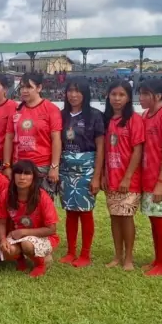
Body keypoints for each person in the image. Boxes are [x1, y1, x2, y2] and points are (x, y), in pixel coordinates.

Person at [58, 80, 105, 268]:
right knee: (70, 212)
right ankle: (71, 251)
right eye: (70, 91)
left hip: (87, 168)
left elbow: (101, 148)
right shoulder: (61, 115)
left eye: (77, 91)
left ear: (85, 94)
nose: (73, 95)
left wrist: (97, 176)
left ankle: (85, 253)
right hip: (66, 168)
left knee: (85, 212)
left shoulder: (95, 116)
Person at [138, 78, 162, 276]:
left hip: (161, 180)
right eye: (141, 93)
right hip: (148, 177)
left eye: (146, 94)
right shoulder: (146, 115)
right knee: (154, 219)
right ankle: (158, 259)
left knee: (161, 220)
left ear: (158, 96)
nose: (141, 98)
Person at [103, 80, 145, 271]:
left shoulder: (134, 120)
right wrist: (104, 174)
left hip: (129, 179)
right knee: (114, 216)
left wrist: (127, 177)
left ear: (128, 98)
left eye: (121, 95)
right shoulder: (107, 119)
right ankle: (117, 255)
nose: (117, 98)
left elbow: (137, 150)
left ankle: (128, 258)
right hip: (111, 176)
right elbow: (103, 149)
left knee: (126, 216)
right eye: (114, 94)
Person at [0, 159, 59, 278]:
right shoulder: (6, 194)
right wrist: (3, 240)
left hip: (43, 237)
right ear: (13, 175)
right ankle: (21, 260)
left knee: (26, 244)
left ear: (34, 177)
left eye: (27, 173)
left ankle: (41, 264)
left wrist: (23, 232)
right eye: (18, 173)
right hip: (17, 236)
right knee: (7, 250)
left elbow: (51, 229)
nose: (22, 177)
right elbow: (1, 222)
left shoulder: (42, 197)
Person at [7, 72, 62, 195]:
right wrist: (7, 165)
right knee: (21, 207)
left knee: (42, 206)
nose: (24, 91)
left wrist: (54, 167)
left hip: (42, 166)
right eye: (22, 87)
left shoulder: (51, 109)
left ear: (39, 88)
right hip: (20, 166)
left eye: (29, 87)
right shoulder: (16, 111)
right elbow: (9, 138)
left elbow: (56, 139)